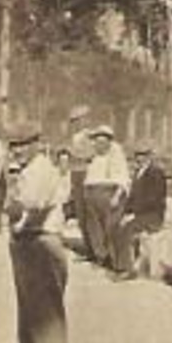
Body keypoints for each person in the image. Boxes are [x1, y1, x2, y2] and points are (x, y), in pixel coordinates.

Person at [4, 129, 74, 343]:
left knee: (47, 325)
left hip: (42, 244)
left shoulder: (43, 170)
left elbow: (30, 209)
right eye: (14, 145)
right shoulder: (24, 171)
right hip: (25, 244)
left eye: (23, 144)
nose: (17, 150)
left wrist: (14, 212)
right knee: (27, 323)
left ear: (36, 144)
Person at [113, 144, 168, 276]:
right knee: (118, 224)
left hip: (152, 215)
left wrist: (135, 214)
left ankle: (128, 270)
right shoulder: (138, 173)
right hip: (141, 214)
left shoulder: (156, 172)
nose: (139, 158)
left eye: (143, 155)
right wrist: (126, 212)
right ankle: (127, 263)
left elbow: (155, 198)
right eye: (137, 155)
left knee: (126, 230)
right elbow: (132, 198)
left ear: (149, 157)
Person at [81, 125, 130, 271]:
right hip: (92, 193)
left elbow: (123, 179)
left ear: (109, 141)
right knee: (94, 227)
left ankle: (116, 261)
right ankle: (101, 256)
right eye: (96, 141)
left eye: (102, 141)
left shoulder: (116, 154)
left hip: (109, 193)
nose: (98, 144)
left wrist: (116, 196)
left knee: (110, 227)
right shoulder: (94, 157)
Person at [65, 108, 93, 252]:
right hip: (76, 174)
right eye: (73, 121)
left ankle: (93, 248)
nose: (75, 124)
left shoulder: (89, 136)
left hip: (85, 174)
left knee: (87, 212)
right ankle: (88, 246)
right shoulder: (74, 137)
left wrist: (73, 152)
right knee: (80, 212)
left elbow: (91, 155)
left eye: (78, 120)